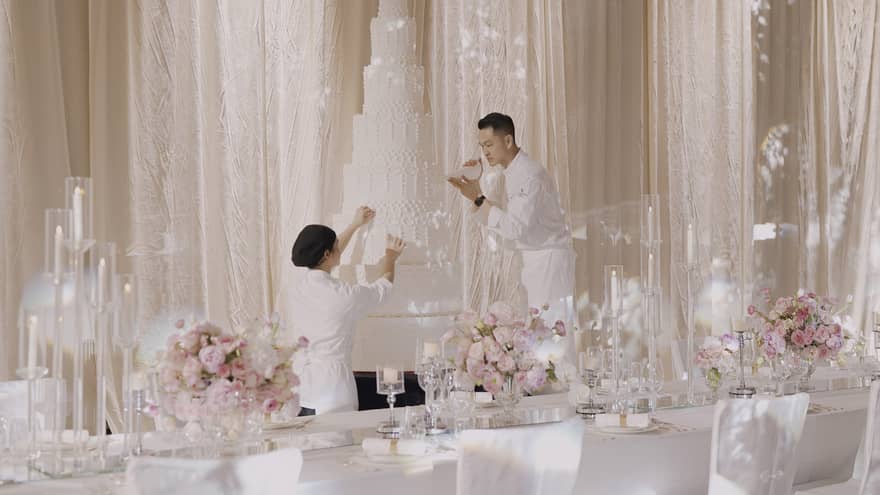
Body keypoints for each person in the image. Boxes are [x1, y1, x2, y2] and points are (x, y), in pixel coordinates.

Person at [447, 112, 576, 354]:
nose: (485, 152)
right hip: (536, 259)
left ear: (507, 141)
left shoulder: (529, 174)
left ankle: (564, 389)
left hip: (549, 259)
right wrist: (477, 195)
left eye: (489, 144)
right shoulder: (514, 172)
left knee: (551, 336)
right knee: (539, 336)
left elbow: (515, 227)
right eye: (482, 146)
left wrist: (478, 196)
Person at [290, 206, 406, 415]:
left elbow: (324, 257)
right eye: (335, 247)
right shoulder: (343, 295)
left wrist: (354, 225)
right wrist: (390, 255)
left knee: (305, 444)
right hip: (331, 387)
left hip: (300, 382)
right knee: (333, 444)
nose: (339, 249)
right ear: (327, 253)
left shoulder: (296, 284)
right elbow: (382, 289)